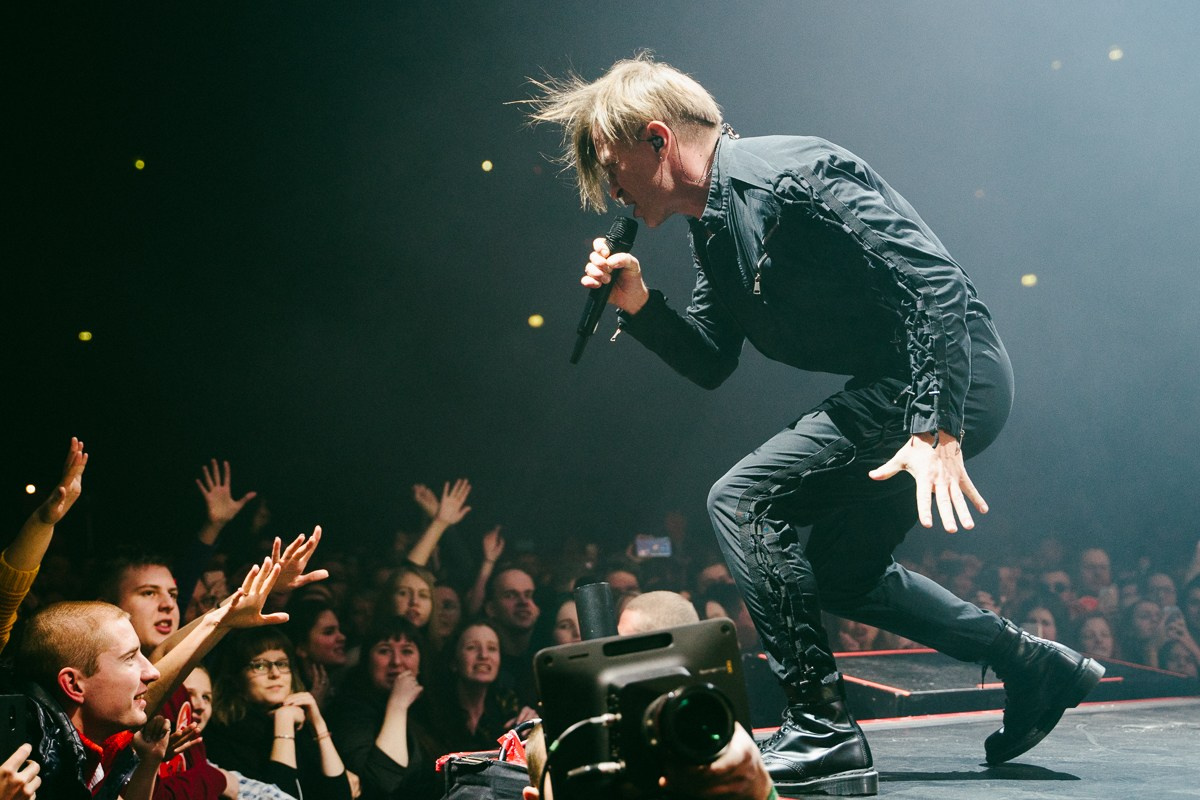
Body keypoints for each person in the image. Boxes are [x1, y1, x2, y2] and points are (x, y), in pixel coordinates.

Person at [528, 53, 1103, 794]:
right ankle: (1033, 664)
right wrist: (638, 304)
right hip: (900, 388)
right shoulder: (714, 228)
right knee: (843, 573)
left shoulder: (789, 175)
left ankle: (822, 728)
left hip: (948, 374)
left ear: (658, 140)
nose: (612, 191)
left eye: (612, 169)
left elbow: (935, 284)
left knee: (742, 499)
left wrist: (933, 427)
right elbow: (711, 360)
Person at [205, 628, 351, 799]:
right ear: (237, 679)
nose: (275, 674)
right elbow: (280, 796)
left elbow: (341, 795)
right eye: (259, 666)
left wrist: (318, 725)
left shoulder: (300, 726)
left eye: (281, 664)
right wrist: (284, 722)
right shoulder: (224, 736)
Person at [328, 616, 441, 800]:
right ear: (367, 661)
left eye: (407, 651)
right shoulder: (350, 711)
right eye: (384, 651)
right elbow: (382, 780)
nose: (396, 661)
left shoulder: (431, 707)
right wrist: (398, 705)